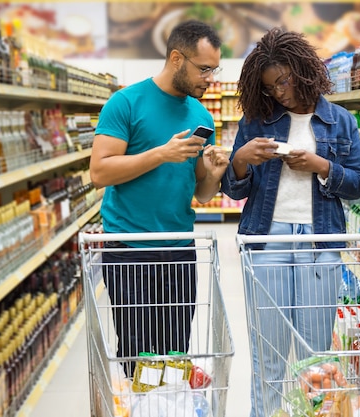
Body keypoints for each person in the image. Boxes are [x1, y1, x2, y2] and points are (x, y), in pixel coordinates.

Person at [220, 28, 360, 416]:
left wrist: (321, 166)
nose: (279, 93)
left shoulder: (339, 121)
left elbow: (359, 184)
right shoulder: (257, 121)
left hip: (320, 242)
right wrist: (240, 161)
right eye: (271, 87)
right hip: (266, 241)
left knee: (315, 356)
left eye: (284, 81)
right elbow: (235, 190)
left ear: (304, 70)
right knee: (268, 353)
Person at [89, 20, 229, 376]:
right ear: (177, 58)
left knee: (174, 353)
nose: (209, 78)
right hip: (131, 249)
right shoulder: (126, 103)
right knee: (137, 356)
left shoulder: (201, 115)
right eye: (204, 68)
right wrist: (160, 154)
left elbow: (201, 193)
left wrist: (213, 175)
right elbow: (99, 172)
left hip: (180, 250)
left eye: (214, 69)